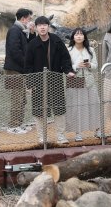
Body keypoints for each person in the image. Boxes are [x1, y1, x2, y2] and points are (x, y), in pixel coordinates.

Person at [24, 15, 74, 145]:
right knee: (39, 110)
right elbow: (28, 65)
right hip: (38, 82)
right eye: (39, 25)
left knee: (59, 109)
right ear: (36, 28)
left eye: (44, 25)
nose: (42, 27)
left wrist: (68, 71)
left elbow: (65, 58)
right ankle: (42, 137)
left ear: (48, 27)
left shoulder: (57, 40)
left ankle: (61, 136)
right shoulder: (32, 44)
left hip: (56, 79)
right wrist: (30, 83)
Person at [65, 27, 101, 141]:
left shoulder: (90, 49)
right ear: (73, 37)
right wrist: (76, 66)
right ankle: (78, 132)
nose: (79, 36)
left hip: (89, 80)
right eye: (76, 34)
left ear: (84, 37)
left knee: (94, 104)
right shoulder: (69, 50)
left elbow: (96, 66)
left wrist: (89, 65)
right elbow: (66, 67)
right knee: (76, 106)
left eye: (81, 34)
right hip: (75, 80)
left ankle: (97, 129)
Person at [4, 8, 34, 134]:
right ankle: (13, 126)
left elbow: (29, 47)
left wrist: (32, 33)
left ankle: (19, 123)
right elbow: (14, 51)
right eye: (29, 19)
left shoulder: (21, 31)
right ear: (23, 19)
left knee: (22, 98)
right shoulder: (14, 30)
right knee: (17, 98)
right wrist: (26, 64)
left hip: (19, 70)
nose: (30, 21)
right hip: (13, 70)